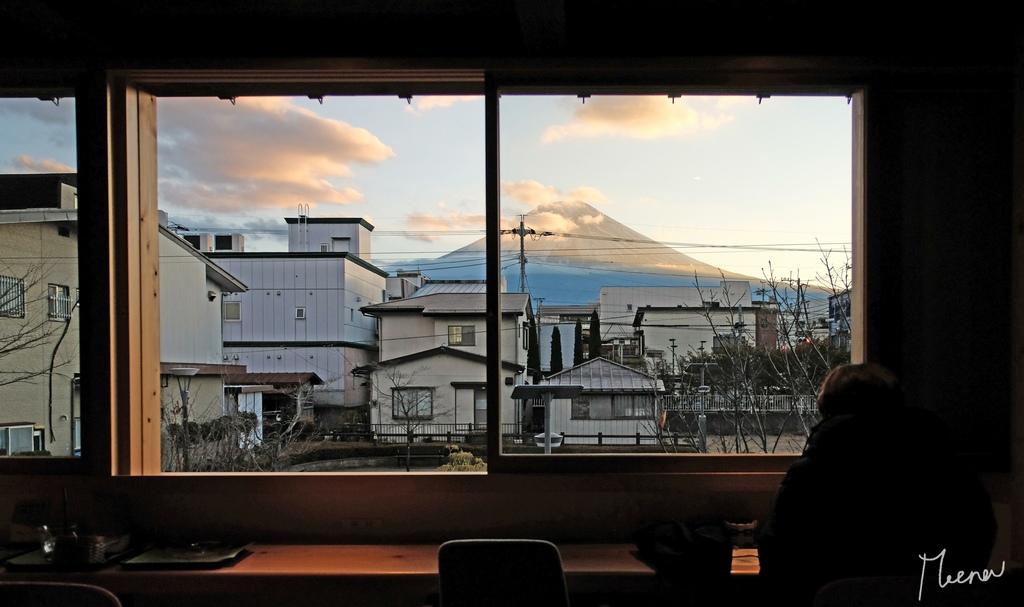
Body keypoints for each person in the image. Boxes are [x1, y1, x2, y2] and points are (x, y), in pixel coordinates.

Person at [756, 362, 996, 605]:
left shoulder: (810, 475)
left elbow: (780, 557)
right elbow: (977, 541)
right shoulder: (951, 471)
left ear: (826, 408)